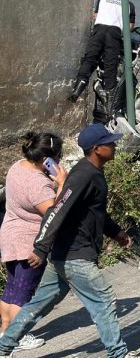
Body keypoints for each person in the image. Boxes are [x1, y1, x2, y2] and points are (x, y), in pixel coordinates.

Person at [0, 124, 140, 358]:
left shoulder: (91, 173)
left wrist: (117, 233)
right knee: (103, 299)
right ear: (97, 149)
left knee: (38, 305)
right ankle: (118, 353)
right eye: (110, 143)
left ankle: (3, 346)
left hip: (64, 255)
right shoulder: (82, 176)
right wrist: (40, 247)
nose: (115, 146)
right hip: (75, 255)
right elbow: (56, 211)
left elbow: (95, 212)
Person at [0, 133, 68, 351]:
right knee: (24, 292)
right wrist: (62, 183)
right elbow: (54, 212)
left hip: (9, 235)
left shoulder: (18, 166)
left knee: (11, 288)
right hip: (28, 243)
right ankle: (17, 337)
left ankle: (5, 330)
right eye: (59, 156)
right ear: (47, 158)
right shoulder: (38, 184)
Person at [68, 0, 136, 103]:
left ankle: (77, 89)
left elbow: (95, 16)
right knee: (110, 64)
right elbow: (130, 27)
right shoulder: (129, 4)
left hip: (99, 30)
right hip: (114, 33)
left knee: (90, 59)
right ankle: (109, 96)